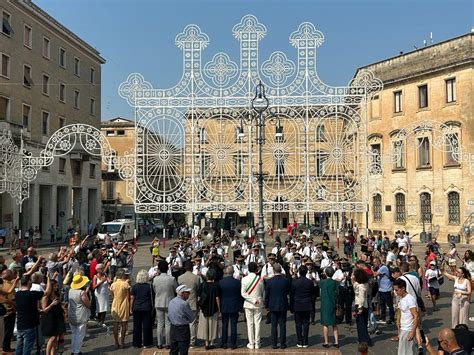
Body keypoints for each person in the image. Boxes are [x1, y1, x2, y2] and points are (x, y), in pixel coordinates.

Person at [15, 274, 46, 355]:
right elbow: (47, 292)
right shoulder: (32, 294)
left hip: (20, 325)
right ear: (29, 282)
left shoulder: (17, 294)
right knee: (27, 349)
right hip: (29, 325)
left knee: (19, 347)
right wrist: (48, 278)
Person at [153, 260, 178, 349]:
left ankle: (159, 343)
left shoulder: (155, 279)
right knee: (168, 324)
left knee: (160, 323)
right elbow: (176, 290)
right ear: (167, 268)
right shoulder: (171, 279)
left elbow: (154, 290)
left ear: (159, 269)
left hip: (158, 302)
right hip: (169, 302)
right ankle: (168, 343)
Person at [265, 263, 290, 349]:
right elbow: (287, 292)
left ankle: (274, 344)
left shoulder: (269, 281)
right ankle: (282, 343)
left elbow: (267, 295)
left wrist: (266, 305)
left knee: (274, 326)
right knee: (282, 325)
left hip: (272, 304)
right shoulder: (286, 280)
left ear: (273, 271)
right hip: (283, 303)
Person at [290, 265, 315, 348]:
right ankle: (305, 341)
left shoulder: (294, 282)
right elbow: (312, 294)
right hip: (307, 304)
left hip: (297, 304)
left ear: (299, 272)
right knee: (306, 323)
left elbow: (292, 295)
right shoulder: (310, 282)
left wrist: (291, 307)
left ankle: (299, 340)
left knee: (298, 323)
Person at [241, 262, 264, 350]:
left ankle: (251, 343)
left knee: (249, 324)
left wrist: (252, 300)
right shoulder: (260, 279)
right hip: (258, 302)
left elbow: (243, 293)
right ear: (256, 269)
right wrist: (255, 300)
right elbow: (262, 291)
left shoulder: (244, 279)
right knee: (257, 323)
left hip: (248, 303)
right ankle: (257, 343)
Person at [177, 260, 200, 347]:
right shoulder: (196, 278)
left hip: (182, 303)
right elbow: (198, 290)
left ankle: (183, 338)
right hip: (193, 301)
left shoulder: (180, 278)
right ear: (192, 267)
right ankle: (192, 340)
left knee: (183, 322)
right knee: (192, 323)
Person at [218, 265, 242, 349]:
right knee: (233, 325)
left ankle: (224, 343)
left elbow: (219, 295)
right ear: (233, 272)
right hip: (234, 305)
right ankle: (233, 344)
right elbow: (240, 295)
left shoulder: (221, 282)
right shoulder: (238, 282)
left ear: (226, 272)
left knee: (224, 325)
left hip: (224, 305)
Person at [393, 278, 419, 355]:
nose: (395, 292)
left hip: (408, 330)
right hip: (403, 329)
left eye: (397, 290)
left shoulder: (410, 299)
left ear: (403, 289)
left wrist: (412, 331)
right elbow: (400, 311)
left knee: (408, 352)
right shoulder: (402, 298)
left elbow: (416, 316)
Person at [197, 268, 220, 350]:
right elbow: (217, 298)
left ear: (207, 276)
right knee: (213, 325)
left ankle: (206, 343)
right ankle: (212, 342)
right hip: (213, 308)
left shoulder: (202, 285)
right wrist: (219, 308)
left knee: (204, 326)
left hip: (204, 308)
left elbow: (199, 297)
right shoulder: (216, 285)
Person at [68, 274, 91, 355]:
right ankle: (77, 351)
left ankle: (73, 350)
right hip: (80, 315)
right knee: (80, 334)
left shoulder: (70, 291)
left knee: (74, 333)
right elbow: (87, 304)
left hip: (72, 314)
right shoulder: (82, 292)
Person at [41, 279, 66, 355]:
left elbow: (59, 305)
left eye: (57, 286)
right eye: (55, 286)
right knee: (52, 338)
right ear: (51, 287)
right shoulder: (45, 297)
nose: (56, 287)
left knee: (58, 337)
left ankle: (54, 353)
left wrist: (64, 310)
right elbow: (44, 310)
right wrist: (52, 304)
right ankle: (47, 353)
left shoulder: (57, 295)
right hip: (49, 318)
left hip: (58, 317)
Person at [168, 284, 195, 355]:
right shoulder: (184, 304)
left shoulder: (171, 301)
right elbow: (192, 318)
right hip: (183, 330)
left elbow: (169, 317)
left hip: (173, 329)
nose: (189, 294)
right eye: (187, 292)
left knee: (173, 351)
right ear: (182, 293)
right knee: (183, 351)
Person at [130, 269, 154, 349]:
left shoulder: (135, 286)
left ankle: (136, 343)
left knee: (137, 326)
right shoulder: (149, 286)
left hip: (136, 307)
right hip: (146, 307)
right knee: (147, 326)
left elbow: (132, 298)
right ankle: (147, 342)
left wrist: (131, 308)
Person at [320, 267, 339, 348]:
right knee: (334, 324)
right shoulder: (335, 283)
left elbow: (318, 284)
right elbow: (337, 292)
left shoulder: (322, 282)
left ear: (326, 273)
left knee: (325, 324)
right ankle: (336, 341)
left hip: (325, 304)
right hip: (333, 304)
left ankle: (326, 342)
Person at [372, 256, 395, 324]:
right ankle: (383, 317)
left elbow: (375, 274)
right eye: (373, 262)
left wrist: (371, 269)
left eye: (375, 262)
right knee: (382, 304)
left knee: (389, 304)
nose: (374, 264)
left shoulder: (383, 268)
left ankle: (391, 317)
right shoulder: (379, 268)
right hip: (381, 289)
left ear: (379, 262)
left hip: (387, 289)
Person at [353, 268, 371, 346]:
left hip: (361, 306)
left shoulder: (361, 286)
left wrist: (360, 308)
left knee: (361, 325)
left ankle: (363, 340)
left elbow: (361, 298)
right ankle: (365, 339)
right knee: (363, 323)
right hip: (365, 305)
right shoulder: (365, 284)